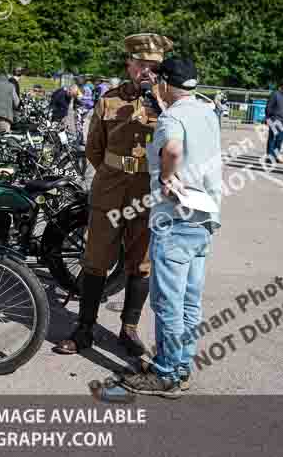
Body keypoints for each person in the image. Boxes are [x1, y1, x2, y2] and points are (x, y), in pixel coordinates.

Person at [53, 33, 174, 357]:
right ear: (129, 64)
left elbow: (179, 145)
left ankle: (129, 329)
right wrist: (115, 171)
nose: (146, 71)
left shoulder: (171, 104)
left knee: (141, 263)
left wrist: (162, 107)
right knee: (95, 262)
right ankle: (84, 329)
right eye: (141, 64)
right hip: (110, 190)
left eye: (154, 66)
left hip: (147, 193)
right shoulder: (109, 100)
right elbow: (94, 149)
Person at [121, 57, 222, 398]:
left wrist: (166, 176)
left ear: (165, 83)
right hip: (204, 216)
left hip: (176, 216)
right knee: (190, 299)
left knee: (167, 301)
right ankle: (182, 366)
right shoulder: (208, 113)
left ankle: (166, 373)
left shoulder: (172, 117)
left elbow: (175, 149)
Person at [265, 77, 283, 161]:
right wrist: (269, 119)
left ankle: (276, 155)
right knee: (272, 140)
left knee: (279, 140)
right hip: (274, 120)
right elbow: (268, 108)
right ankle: (270, 157)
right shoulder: (275, 94)